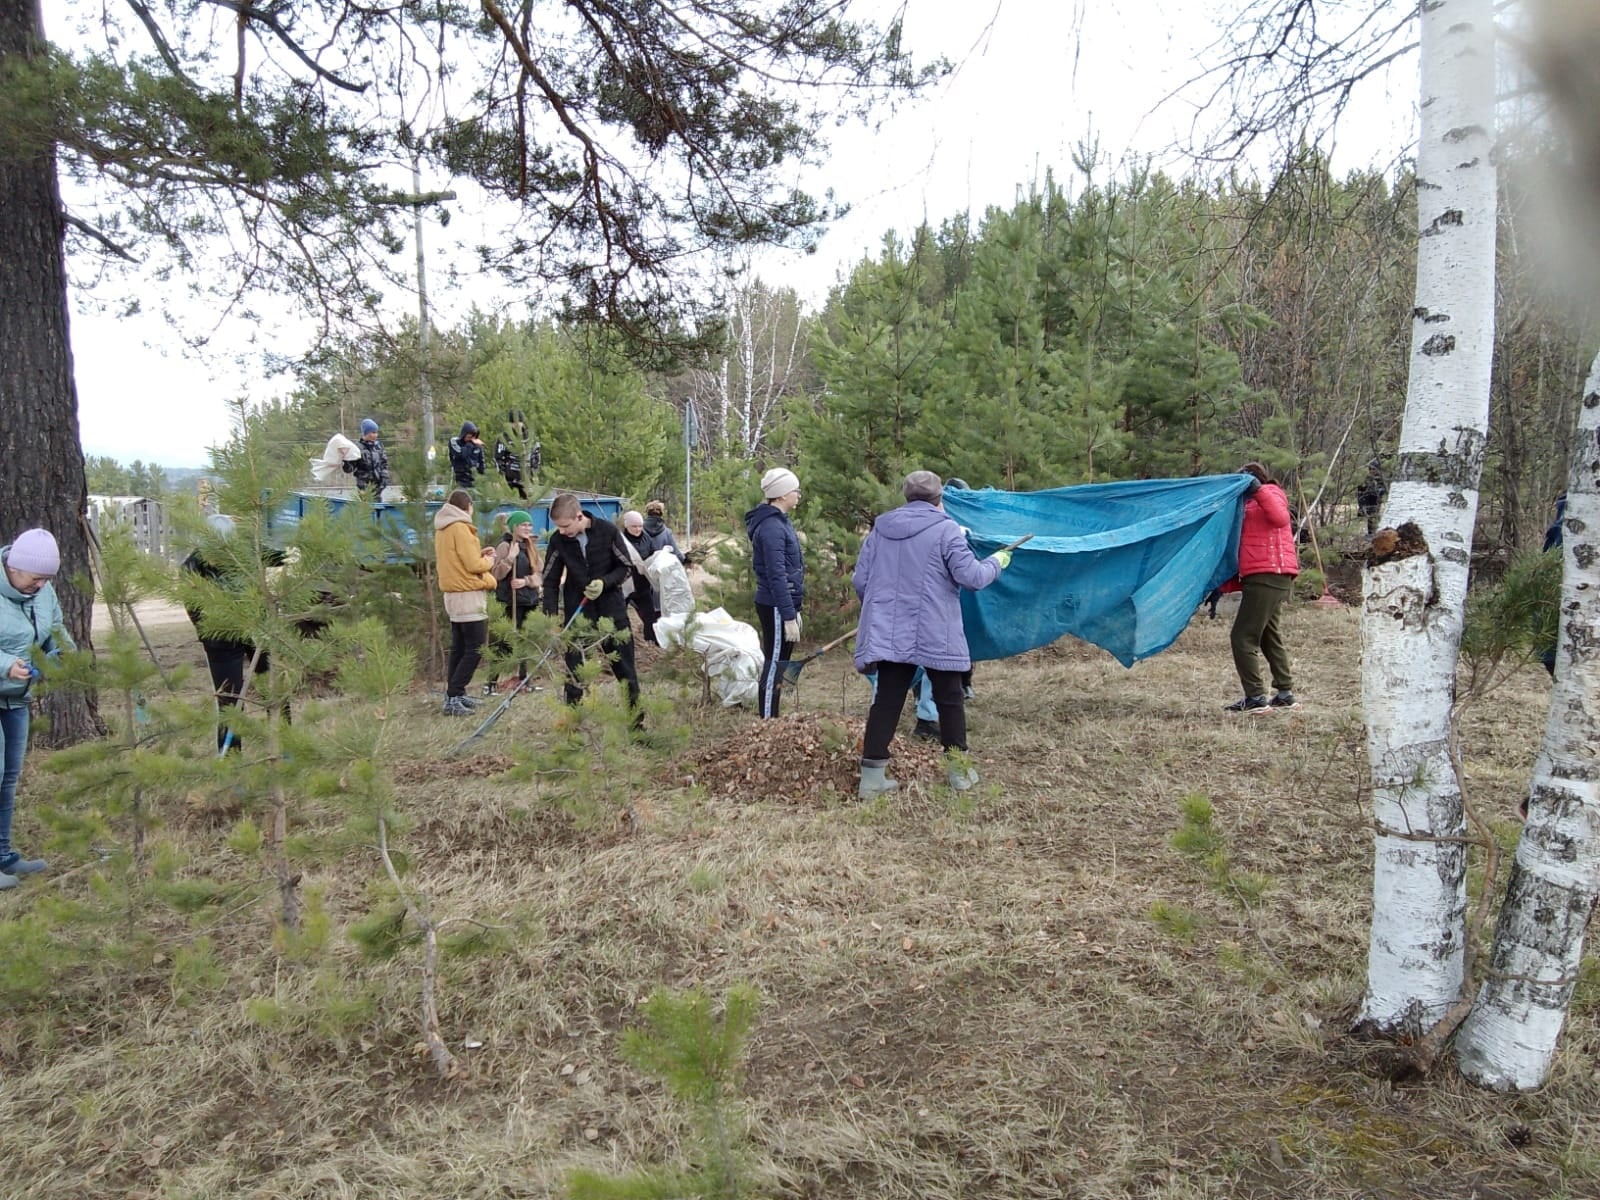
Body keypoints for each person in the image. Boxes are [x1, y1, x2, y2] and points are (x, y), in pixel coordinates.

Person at [853, 472, 1009, 796]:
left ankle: (871, 780)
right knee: (950, 699)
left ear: (906, 496)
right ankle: (959, 774)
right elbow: (972, 577)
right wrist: (998, 561)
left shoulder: (881, 529)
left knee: (886, 700)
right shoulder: (946, 529)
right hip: (936, 628)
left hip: (890, 631)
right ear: (939, 498)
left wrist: (883, 608)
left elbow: (860, 581)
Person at [0, 529, 74, 888]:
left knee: (8, 778)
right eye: (35, 578)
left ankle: (3, 856)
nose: (41, 586)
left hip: (16, 698)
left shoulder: (43, 592)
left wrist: (63, 654)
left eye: (47, 579)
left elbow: (55, 628)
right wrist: (5, 665)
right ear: (14, 568)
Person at [541, 493, 641, 717]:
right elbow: (549, 580)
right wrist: (548, 619)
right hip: (578, 615)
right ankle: (573, 724)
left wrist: (604, 583)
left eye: (565, 526)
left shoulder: (607, 531)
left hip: (612, 612)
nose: (562, 531)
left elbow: (625, 567)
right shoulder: (559, 541)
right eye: (558, 527)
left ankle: (636, 724)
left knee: (626, 671)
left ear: (578, 516)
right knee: (574, 672)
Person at [181, 514, 270, 752]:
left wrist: (293, 553)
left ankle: (286, 745)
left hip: (257, 631)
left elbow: (273, 556)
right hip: (220, 640)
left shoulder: (244, 555)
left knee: (275, 688)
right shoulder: (191, 568)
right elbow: (196, 612)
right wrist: (216, 631)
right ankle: (231, 758)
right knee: (229, 701)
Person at [1224, 462, 1301, 714]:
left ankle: (1256, 696)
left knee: (1243, 636)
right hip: (1269, 574)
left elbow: (1280, 519)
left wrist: (1258, 489)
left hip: (1268, 573)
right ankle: (1285, 693)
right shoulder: (1247, 505)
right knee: (1269, 633)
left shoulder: (1270, 494)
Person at [745, 467, 804, 719]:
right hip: (776, 605)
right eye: (795, 490)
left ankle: (773, 715)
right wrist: (788, 614)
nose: (798, 495)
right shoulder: (771, 527)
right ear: (781, 495)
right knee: (774, 665)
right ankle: (768, 721)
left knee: (780, 663)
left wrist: (794, 609)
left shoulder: (781, 522)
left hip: (784, 604)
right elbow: (776, 575)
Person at [434, 489, 497, 715]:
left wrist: (479, 553)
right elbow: (472, 565)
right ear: (467, 506)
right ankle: (453, 695)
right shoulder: (460, 527)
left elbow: (457, 560)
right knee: (476, 647)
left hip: (453, 593)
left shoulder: (444, 528)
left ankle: (455, 694)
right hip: (467, 594)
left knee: (460, 647)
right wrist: (488, 560)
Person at [489, 508, 542, 689]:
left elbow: (540, 574)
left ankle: (524, 679)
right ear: (514, 527)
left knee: (525, 640)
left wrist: (526, 581)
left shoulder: (530, 546)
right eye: (523, 525)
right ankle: (491, 682)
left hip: (530, 600)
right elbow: (496, 573)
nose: (528, 528)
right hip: (510, 602)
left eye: (529, 524)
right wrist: (510, 559)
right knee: (505, 641)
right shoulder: (505, 546)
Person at [620, 510, 662, 646]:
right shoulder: (620, 540)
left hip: (642, 584)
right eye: (634, 526)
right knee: (620, 615)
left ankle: (652, 640)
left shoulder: (646, 538)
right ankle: (621, 641)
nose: (638, 529)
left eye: (640, 526)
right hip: (624, 584)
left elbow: (654, 554)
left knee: (650, 614)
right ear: (626, 526)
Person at [343, 418, 390, 495]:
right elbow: (349, 469)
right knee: (365, 505)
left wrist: (384, 478)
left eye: (376, 432)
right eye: (373, 432)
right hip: (364, 487)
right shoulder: (357, 448)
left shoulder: (379, 446)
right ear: (366, 433)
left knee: (378, 506)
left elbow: (384, 464)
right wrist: (346, 461)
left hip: (378, 486)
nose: (376, 435)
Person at [494, 410, 532, 500]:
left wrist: (534, 474)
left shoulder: (529, 437)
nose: (517, 424)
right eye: (514, 422)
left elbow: (535, 456)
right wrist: (500, 478)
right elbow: (498, 459)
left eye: (519, 422)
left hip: (526, 480)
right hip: (510, 481)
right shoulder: (504, 438)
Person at [449, 421, 488, 491]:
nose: (472, 439)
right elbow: (461, 455)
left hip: (474, 480)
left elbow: (481, 462)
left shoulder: (477, 446)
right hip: (460, 479)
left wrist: (483, 479)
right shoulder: (454, 441)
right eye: (469, 437)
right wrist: (470, 444)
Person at [1357, 459, 1388, 536]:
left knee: (1375, 517)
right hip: (1367, 502)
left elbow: (1383, 489)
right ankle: (1371, 534)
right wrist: (1361, 506)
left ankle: (1375, 533)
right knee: (1370, 517)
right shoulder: (1366, 479)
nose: (1372, 471)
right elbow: (1360, 492)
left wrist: (1380, 492)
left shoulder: (1381, 480)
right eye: (1370, 469)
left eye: (1374, 469)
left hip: (1376, 502)